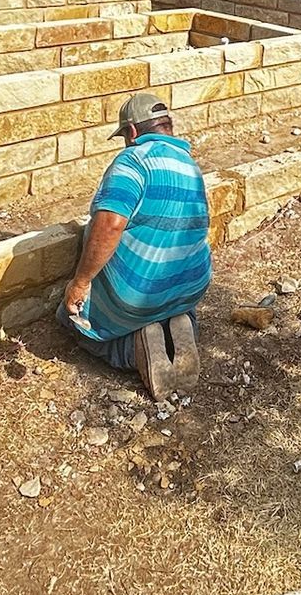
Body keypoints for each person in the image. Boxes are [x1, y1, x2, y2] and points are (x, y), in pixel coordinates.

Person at [60, 93, 210, 397]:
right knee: (172, 304)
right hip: (192, 286)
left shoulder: (134, 160)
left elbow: (111, 224)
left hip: (137, 295)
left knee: (70, 321)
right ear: (167, 126)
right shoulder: (190, 165)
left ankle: (134, 349)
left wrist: (81, 282)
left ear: (131, 131)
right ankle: (182, 328)